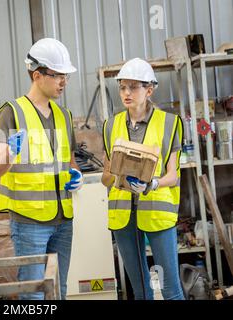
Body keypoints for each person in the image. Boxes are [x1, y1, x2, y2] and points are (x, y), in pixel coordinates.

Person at [0, 38, 83, 300]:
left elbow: (69, 161)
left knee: (59, 291)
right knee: (33, 295)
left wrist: (76, 176)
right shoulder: (11, 113)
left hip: (63, 220)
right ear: (37, 74)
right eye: (57, 76)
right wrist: (8, 152)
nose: (63, 82)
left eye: (66, 76)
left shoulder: (64, 115)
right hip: (30, 222)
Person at [101, 58, 184, 300]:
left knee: (170, 288)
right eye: (122, 87)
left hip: (157, 213)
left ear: (149, 90)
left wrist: (153, 183)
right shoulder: (110, 125)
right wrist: (118, 178)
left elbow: (173, 175)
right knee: (140, 291)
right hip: (123, 215)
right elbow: (106, 177)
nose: (126, 93)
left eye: (133, 87)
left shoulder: (169, 123)